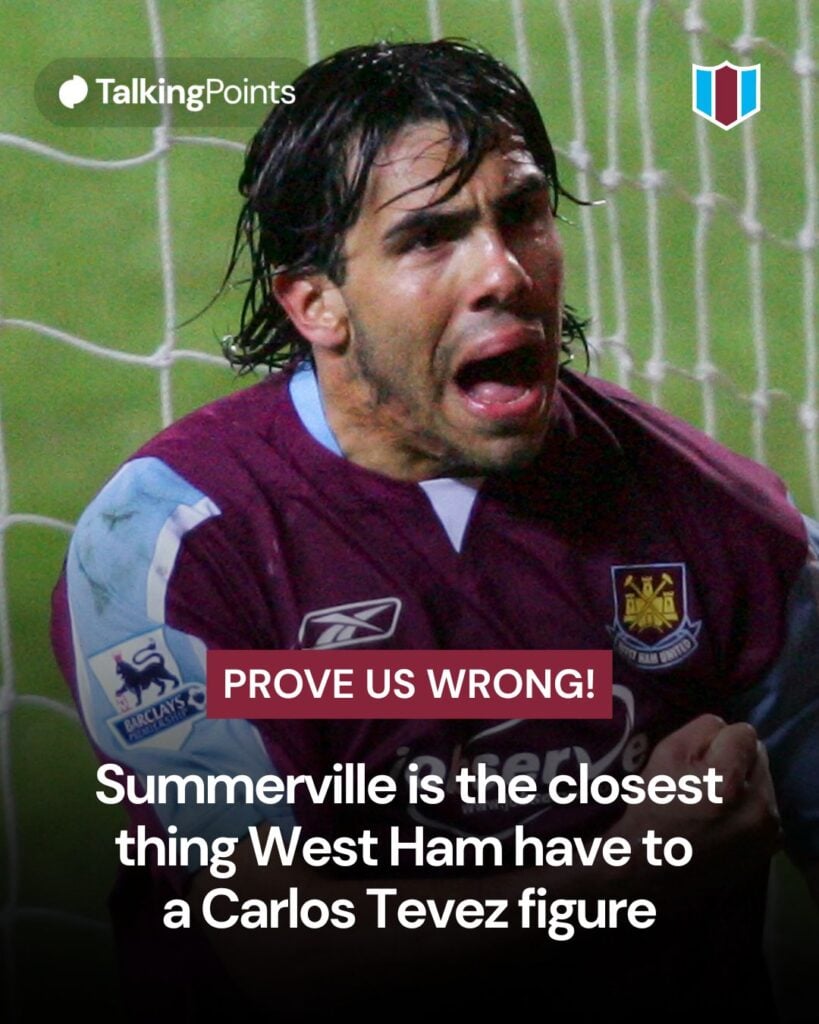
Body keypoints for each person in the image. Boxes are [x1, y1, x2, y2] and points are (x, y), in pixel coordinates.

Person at [52, 39, 819, 1018]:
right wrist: (631, 876)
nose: (502, 271)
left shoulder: (725, 524)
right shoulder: (165, 545)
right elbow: (282, 952)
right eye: (429, 237)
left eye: (524, 214)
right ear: (314, 300)